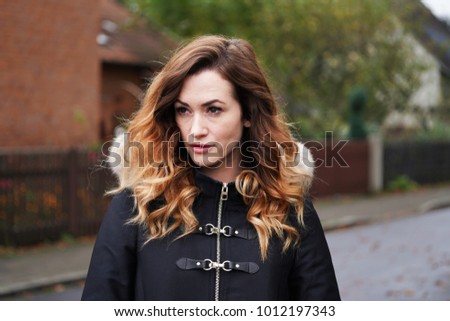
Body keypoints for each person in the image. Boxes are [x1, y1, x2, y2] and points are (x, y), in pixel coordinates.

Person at [81, 35, 340, 301]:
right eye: (184, 110)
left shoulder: (292, 211)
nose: (195, 130)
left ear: (248, 114)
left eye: (213, 109)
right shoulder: (136, 207)